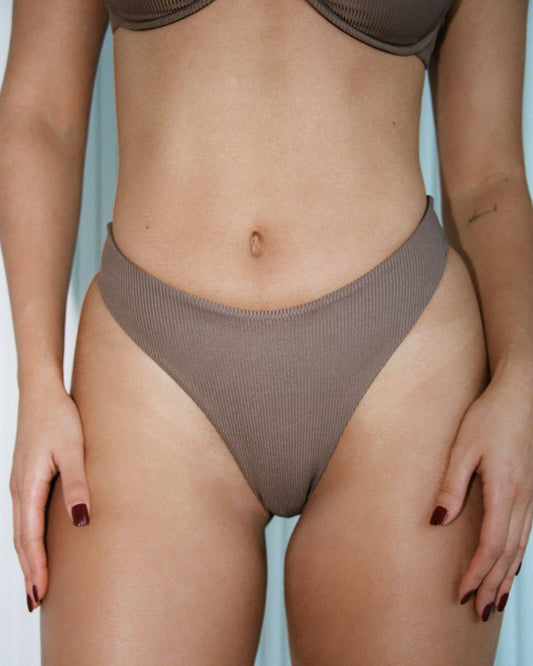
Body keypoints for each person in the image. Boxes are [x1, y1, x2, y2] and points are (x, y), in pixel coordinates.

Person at [1, 0, 532, 663]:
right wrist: (37, 383)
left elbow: (489, 177)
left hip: (406, 372)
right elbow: (40, 112)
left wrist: (520, 381)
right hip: (151, 377)